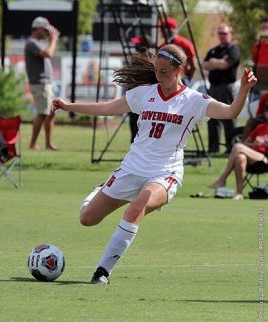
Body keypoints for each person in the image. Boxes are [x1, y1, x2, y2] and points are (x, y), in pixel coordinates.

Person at [51, 44, 257, 285]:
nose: (159, 76)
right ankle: (102, 187)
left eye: (165, 72)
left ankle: (102, 272)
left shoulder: (194, 101)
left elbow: (232, 112)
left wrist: (243, 89)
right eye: (157, 71)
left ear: (180, 70)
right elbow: (107, 108)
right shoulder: (143, 93)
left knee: (136, 207)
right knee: (87, 218)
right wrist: (69, 106)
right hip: (131, 169)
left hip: (164, 173)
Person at [208, 104, 268, 200]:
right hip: (252, 158)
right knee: (240, 157)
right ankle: (239, 193)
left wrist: (264, 144)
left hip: (264, 159)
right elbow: (245, 143)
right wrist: (256, 144)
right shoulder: (260, 127)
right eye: (267, 112)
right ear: (265, 114)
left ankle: (222, 179)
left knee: (237, 146)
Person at [203, 24, 240, 154]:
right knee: (211, 117)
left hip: (226, 87)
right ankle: (213, 148)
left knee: (228, 117)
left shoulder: (233, 50)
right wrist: (216, 62)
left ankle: (231, 148)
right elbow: (205, 65)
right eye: (219, 33)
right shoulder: (214, 50)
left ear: (229, 34)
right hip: (213, 88)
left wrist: (215, 63)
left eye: (224, 33)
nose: (221, 36)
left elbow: (226, 65)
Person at [24, 16, 59, 150]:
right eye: (44, 29)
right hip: (40, 83)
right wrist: (54, 40)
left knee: (51, 112)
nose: (46, 32)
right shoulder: (32, 42)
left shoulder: (36, 42)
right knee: (43, 113)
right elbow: (48, 53)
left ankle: (48, 143)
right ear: (37, 28)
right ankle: (33, 144)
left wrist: (51, 40)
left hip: (45, 83)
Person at [159, 18, 196, 83]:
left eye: (163, 28)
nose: (162, 31)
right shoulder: (163, 45)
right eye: (162, 28)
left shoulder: (185, 44)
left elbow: (193, 67)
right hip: (166, 80)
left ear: (171, 29)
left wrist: (186, 80)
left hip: (180, 80)